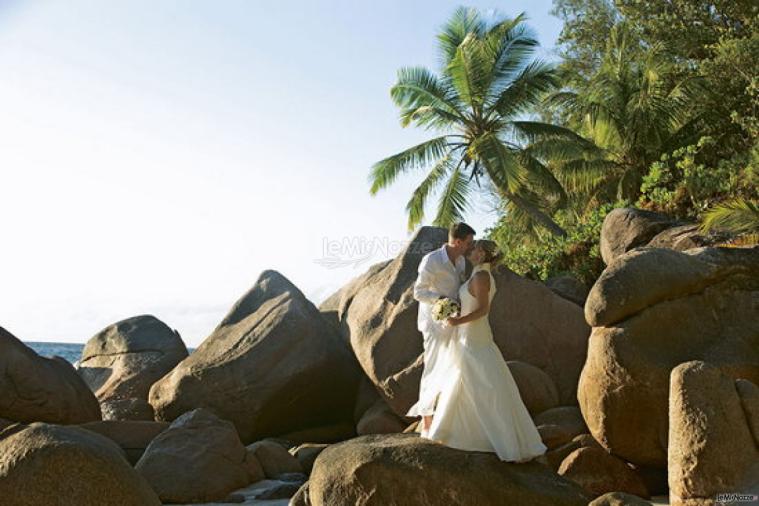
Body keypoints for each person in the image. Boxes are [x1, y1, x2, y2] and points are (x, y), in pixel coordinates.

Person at [422, 239, 547, 463]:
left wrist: (457, 322)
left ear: (482, 254)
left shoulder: (481, 276)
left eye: (475, 248)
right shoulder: (477, 274)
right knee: (467, 380)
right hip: (469, 336)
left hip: (474, 336)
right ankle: (456, 432)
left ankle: (499, 440)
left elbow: (482, 309)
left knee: (484, 384)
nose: (471, 250)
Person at [406, 222, 475, 433]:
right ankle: (427, 421)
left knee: (454, 364)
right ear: (457, 241)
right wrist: (442, 300)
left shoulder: (462, 260)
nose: (470, 247)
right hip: (434, 323)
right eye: (468, 243)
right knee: (433, 366)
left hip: (454, 321)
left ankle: (450, 414)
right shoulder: (432, 260)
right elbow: (418, 292)